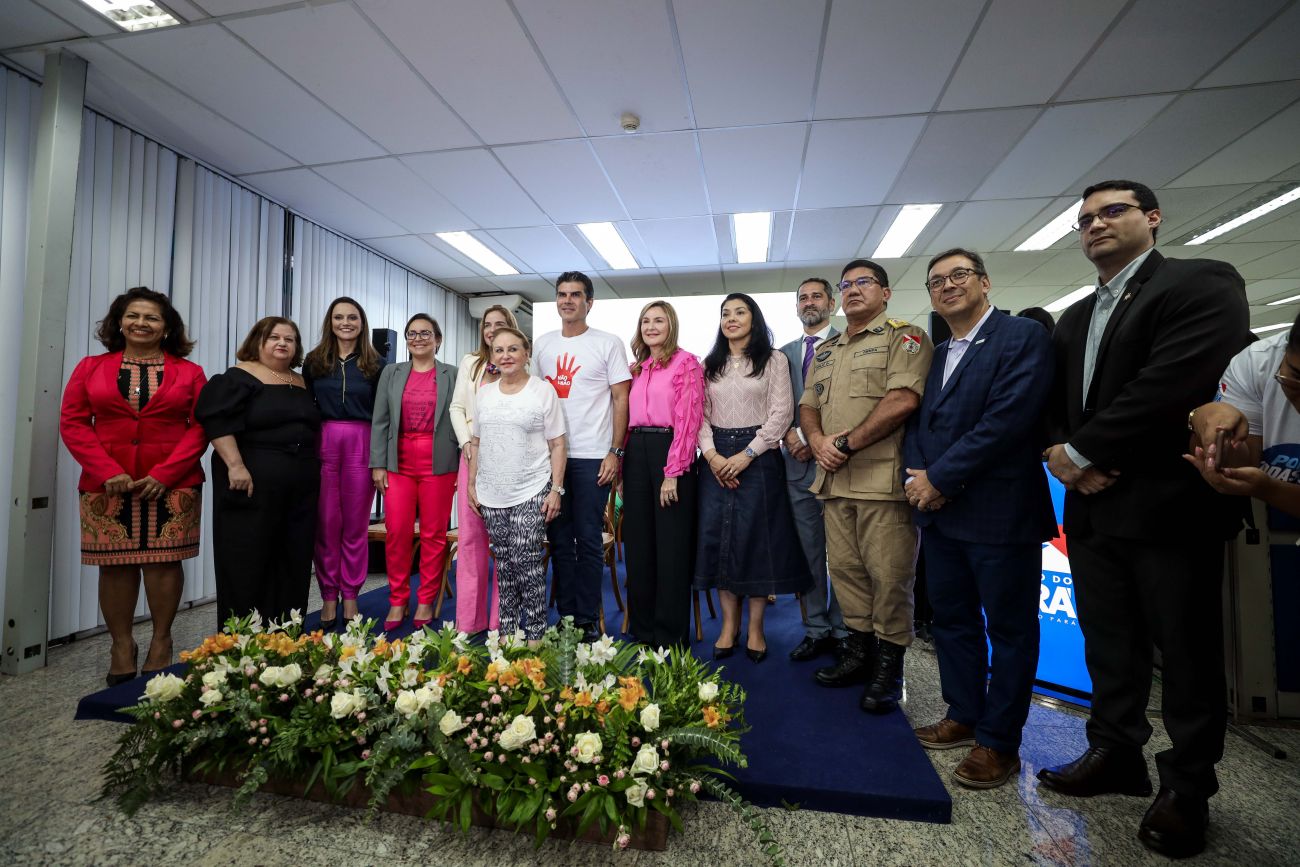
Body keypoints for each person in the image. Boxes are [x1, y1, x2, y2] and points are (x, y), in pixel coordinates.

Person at [1038, 180, 1251, 859]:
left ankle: (1187, 787)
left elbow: (1172, 385)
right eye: (1085, 219)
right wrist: (1063, 455)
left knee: (1185, 654)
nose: (1095, 225)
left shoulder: (1200, 283)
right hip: (1094, 506)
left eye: (1113, 212)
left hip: (1168, 507)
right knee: (1109, 644)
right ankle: (1115, 752)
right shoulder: (1074, 317)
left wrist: (1081, 451)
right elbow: (1054, 403)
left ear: (1152, 218)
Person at [902, 249, 1056, 789]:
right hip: (941, 518)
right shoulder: (938, 352)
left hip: (999, 514)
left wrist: (939, 479)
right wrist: (918, 478)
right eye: (936, 281)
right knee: (952, 621)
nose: (947, 286)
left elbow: (1007, 421)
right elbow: (919, 424)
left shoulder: (1021, 338)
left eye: (959, 275)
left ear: (985, 283)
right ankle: (963, 713)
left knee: (1010, 631)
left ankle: (999, 742)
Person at [798, 259, 933, 713]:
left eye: (864, 282)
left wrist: (845, 443)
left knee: (890, 577)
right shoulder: (827, 350)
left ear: (885, 292)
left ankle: (889, 670)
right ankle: (858, 655)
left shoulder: (904, 337)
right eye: (847, 284)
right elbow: (808, 405)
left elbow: (903, 399)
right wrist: (818, 442)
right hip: (834, 482)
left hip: (882, 482)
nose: (853, 290)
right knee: (847, 574)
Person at [60, 287, 208, 685]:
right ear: (119, 323)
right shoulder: (90, 367)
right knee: (116, 565)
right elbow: (73, 422)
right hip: (107, 483)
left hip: (174, 481)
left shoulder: (190, 372)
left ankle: (161, 641)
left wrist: (166, 473)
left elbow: (201, 427)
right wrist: (106, 470)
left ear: (167, 328)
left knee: (164, 562)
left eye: (152, 317)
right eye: (133, 316)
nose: (141, 323)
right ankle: (121, 645)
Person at [695, 293, 810, 663]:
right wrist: (712, 456)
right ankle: (729, 626)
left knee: (757, 542)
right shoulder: (708, 365)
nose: (731, 319)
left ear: (754, 319)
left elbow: (781, 413)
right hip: (715, 457)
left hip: (758, 457)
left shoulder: (773, 360)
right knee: (722, 541)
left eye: (740, 312)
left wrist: (746, 455)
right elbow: (698, 416)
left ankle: (756, 628)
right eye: (725, 313)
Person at [196, 317, 321, 627]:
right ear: (258, 341)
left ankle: (287, 633)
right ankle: (244, 637)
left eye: (289, 339)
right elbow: (216, 421)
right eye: (274, 337)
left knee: (293, 556)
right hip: (250, 482)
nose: (282, 343)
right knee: (248, 557)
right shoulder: (238, 377)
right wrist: (235, 466)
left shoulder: (301, 380)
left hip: (299, 485)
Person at [533, 271, 631, 642]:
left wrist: (615, 451)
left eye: (576, 295)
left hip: (592, 456)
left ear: (589, 302)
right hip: (550, 459)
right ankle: (567, 616)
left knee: (589, 539)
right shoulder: (543, 345)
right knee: (559, 540)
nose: (568, 300)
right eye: (562, 294)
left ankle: (587, 617)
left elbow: (621, 399)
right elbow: (535, 399)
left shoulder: (607, 343)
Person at [467, 327, 567, 646]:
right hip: (491, 493)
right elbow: (477, 442)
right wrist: (471, 483)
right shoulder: (484, 393)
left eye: (513, 349)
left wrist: (556, 489)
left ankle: (535, 633)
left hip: (532, 488)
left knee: (526, 561)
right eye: (499, 350)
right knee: (505, 563)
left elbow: (558, 444)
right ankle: (509, 633)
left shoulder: (542, 391)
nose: (506, 355)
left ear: (526, 353)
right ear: (492, 356)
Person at [622, 301, 704, 649]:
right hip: (636, 454)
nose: (651, 326)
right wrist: (622, 468)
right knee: (638, 546)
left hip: (670, 453)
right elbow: (625, 420)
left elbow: (688, 420)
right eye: (645, 321)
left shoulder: (686, 363)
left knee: (671, 548)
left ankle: (670, 636)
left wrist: (673, 472)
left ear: (671, 325)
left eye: (658, 320)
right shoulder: (637, 369)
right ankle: (643, 631)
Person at [370, 314, 459, 632]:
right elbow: (380, 420)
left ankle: (425, 599)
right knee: (397, 533)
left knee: (434, 535)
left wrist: (463, 466)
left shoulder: (453, 374)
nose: (418, 338)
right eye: (412, 333)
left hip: (440, 463)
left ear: (438, 339)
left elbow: (462, 419)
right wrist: (378, 464)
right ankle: (397, 599)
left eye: (425, 333)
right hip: (399, 463)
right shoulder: (391, 373)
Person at [303, 297, 385, 630]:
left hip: (361, 442)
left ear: (362, 323)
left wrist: (380, 459)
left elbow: (382, 414)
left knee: (354, 525)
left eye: (352, 317)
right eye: (339, 317)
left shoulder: (376, 364)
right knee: (325, 525)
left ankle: (350, 595)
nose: (346, 323)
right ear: (330, 322)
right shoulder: (313, 361)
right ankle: (327, 596)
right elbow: (306, 406)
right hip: (324, 441)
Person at [779, 277, 848, 662]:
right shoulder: (783, 354)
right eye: (803, 297)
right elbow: (776, 404)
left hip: (839, 464)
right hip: (796, 467)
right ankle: (816, 628)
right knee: (809, 554)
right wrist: (789, 435)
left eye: (816, 296)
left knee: (843, 556)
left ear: (831, 303)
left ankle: (844, 630)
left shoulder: (849, 344)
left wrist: (812, 439)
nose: (809, 302)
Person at [1186, 310, 1300, 518]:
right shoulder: (1258, 363)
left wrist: (1270, 490)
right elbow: (1244, 462)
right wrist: (1211, 431)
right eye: (1296, 377)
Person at [448, 304, 519, 635]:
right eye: (487, 324)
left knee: (505, 543)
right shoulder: (470, 363)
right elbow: (457, 407)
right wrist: (465, 443)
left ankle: (500, 621)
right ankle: (469, 621)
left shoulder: (522, 364)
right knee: (471, 540)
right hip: (472, 457)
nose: (492, 330)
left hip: (509, 460)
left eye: (499, 324)